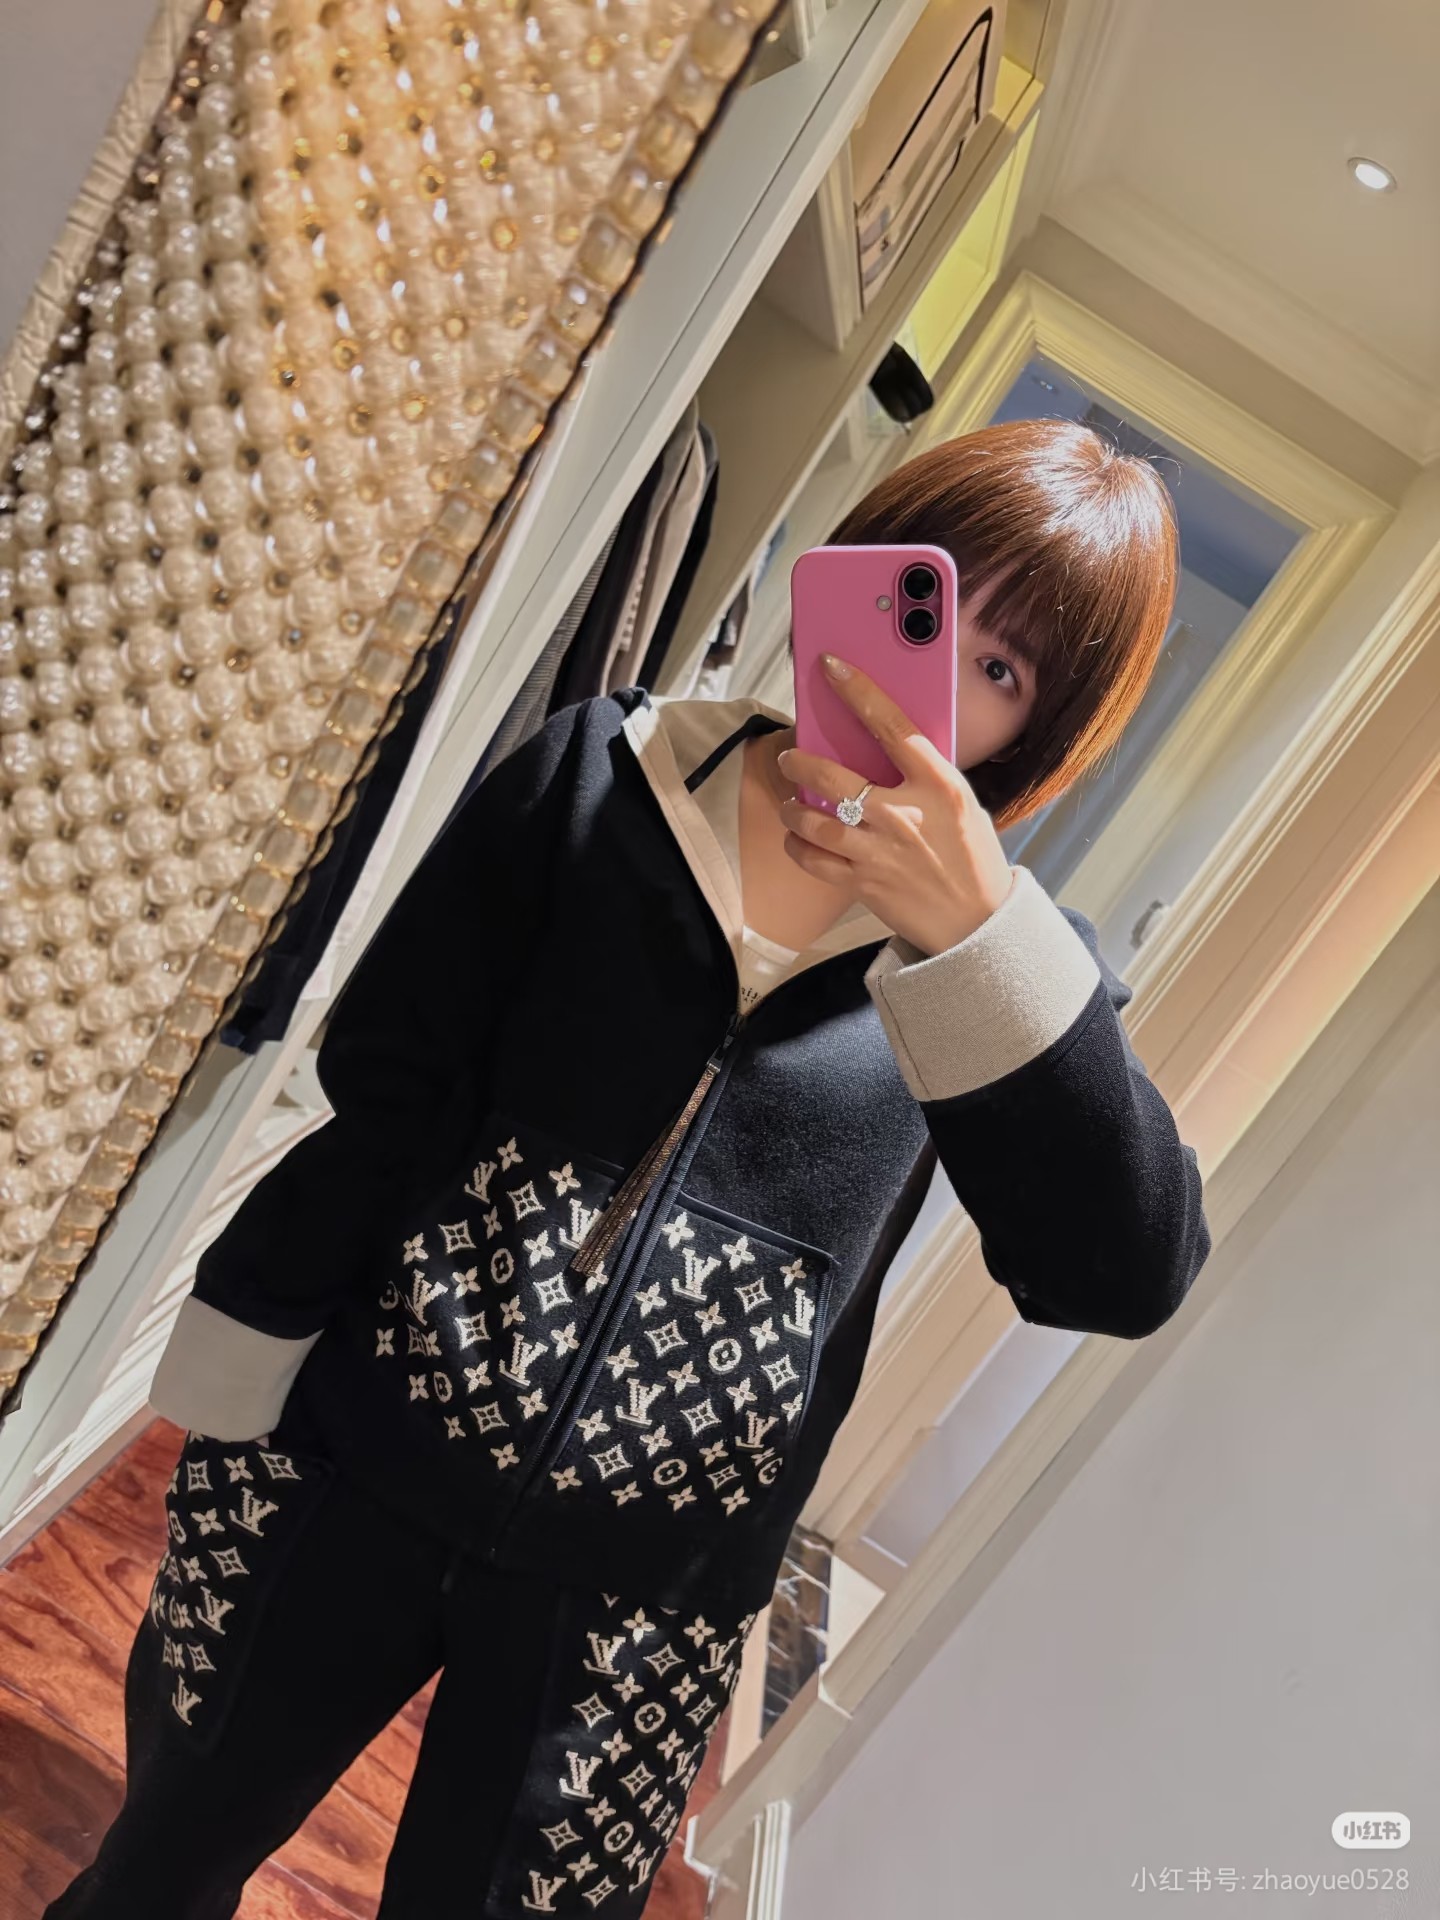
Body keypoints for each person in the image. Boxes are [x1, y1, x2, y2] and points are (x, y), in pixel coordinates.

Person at [46, 419, 1211, 1918]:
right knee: (157, 1863)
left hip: (635, 1611)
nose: (927, 684)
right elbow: (387, 1084)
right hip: (347, 1461)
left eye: (997, 669)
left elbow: (1124, 1271)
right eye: (926, 608)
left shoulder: (1001, 976)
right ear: (854, 575)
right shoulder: (607, 770)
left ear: (1038, 733)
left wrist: (980, 940)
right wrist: (252, 1346)